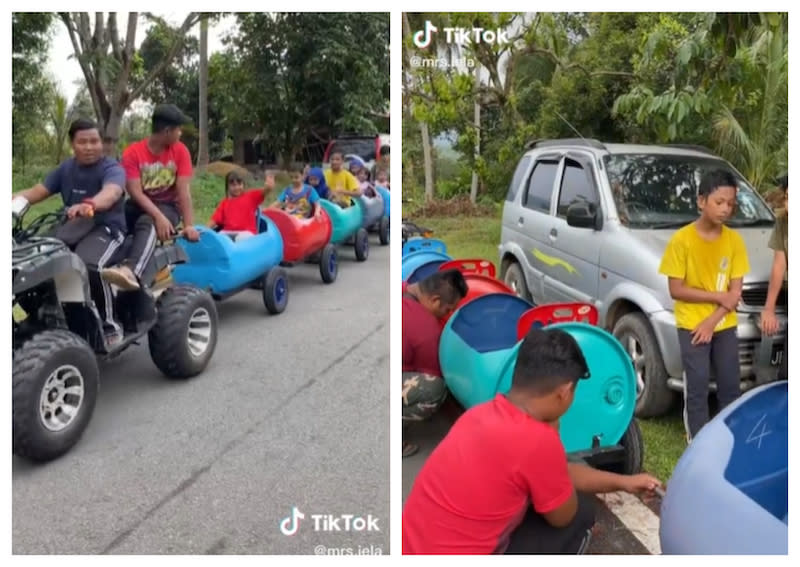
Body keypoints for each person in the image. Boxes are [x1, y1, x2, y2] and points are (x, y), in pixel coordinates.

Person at [402, 327, 662, 554]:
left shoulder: (480, 414)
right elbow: (563, 515)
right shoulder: (537, 441)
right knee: (581, 511)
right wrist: (552, 437)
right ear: (564, 391)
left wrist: (624, 483)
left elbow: (560, 470)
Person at [13, 118, 128, 345]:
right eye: (82, 142)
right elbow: (38, 191)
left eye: (94, 141)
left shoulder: (111, 168)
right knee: (30, 260)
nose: (89, 147)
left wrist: (91, 204)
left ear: (101, 143)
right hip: (72, 227)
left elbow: (112, 192)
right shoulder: (66, 168)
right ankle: (36, 318)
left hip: (106, 228)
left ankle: (109, 325)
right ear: (72, 144)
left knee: (89, 265)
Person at [659, 169, 750, 442]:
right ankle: (697, 443)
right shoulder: (682, 240)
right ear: (701, 201)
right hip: (691, 325)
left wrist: (713, 320)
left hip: (722, 325)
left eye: (731, 204)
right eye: (719, 202)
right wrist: (716, 298)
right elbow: (676, 289)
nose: (725, 209)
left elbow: (734, 293)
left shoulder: (734, 241)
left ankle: (727, 439)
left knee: (730, 386)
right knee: (697, 388)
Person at [100, 104, 200, 291]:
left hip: (169, 206)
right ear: (167, 131)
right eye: (178, 130)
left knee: (148, 221)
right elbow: (135, 192)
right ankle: (99, 263)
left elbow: (183, 191)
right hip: (140, 203)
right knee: (112, 217)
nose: (180, 134)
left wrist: (188, 225)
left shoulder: (180, 151)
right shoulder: (133, 153)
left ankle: (131, 270)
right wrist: (158, 215)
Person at [402, 269, 468, 458]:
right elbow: (437, 374)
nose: (447, 314)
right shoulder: (426, 328)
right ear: (435, 300)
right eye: (447, 309)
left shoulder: (401, 287)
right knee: (434, 388)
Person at [760, 174, 788, 381]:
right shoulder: (784, 222)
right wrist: (769, 309)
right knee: (786, 373)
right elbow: (779, 264)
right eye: (787, 197)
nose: (788, 204)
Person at [207, 170, 276, 241]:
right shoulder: (224, 203)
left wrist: (268, 187)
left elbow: (264, 191)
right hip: (227, 232)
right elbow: (214, 220)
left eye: (239, 184)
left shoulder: (251, 196)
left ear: (243, 184)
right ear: (228, 187)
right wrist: (204, 230)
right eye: (233, 185)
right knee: (219, 238)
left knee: (241, 239)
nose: (236, 188)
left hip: (246, 233)